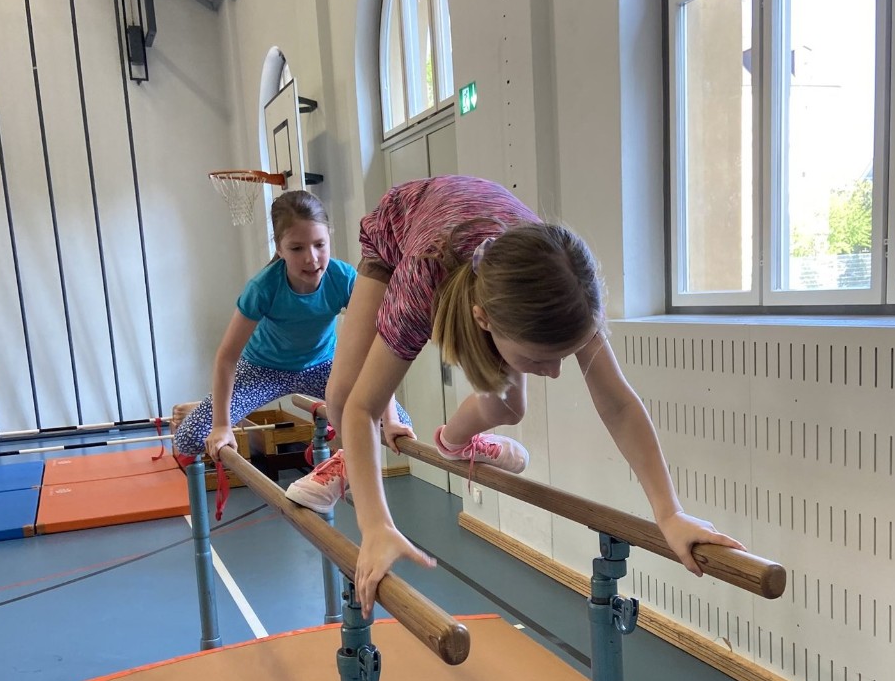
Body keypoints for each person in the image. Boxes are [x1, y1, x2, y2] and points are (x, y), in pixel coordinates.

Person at [285, 175, 744, 615]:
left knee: (509, 405)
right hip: (403, 226)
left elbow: (619, 404)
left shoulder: (569, 294)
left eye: (562, 356)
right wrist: (375, 525)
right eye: (540, 358)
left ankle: (454, 442)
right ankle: (349, 463)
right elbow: (363, 407)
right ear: (483, 320)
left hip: (489, 244)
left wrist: (669, 513)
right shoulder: (422, 280)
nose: (555, 373)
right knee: (344, 393)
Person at [173, 190, 411, 462]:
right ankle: (218, 405)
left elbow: (377, 344)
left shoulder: (344, 278)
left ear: (329, 238)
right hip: (262, 370)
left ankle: (338, 459)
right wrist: (222, 425)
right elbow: (226, 357)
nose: (311, 258)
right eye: (297, 248)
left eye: (319, 244)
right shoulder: (263, 287)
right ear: (279, 248)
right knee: (190, 438)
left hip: (323, 367)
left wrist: (391, 419)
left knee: (399, 423)